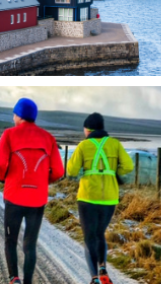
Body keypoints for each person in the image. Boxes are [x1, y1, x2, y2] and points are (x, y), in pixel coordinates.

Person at [0, 98, 65, 284]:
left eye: (14, 114)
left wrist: (4, 177)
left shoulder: (9, 134)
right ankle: (27, 282)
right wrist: (43, 181)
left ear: (17, 115)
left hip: (14, 196)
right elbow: (58, 171)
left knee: (11, 239)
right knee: (30, 244)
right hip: (37, 199)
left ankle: (13, 278)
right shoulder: (48, 138)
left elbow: (0, 163)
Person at [67, 113, 134, 284]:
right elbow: (128, 166)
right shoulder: (115, 144)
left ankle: (95, 278)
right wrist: (113, 173)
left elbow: (71, 171)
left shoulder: (83, 146)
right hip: (109, 198)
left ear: (88, 129)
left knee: (89, 237)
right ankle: (103, 268)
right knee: (100, 234)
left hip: (88, 197)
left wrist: (84, 170)